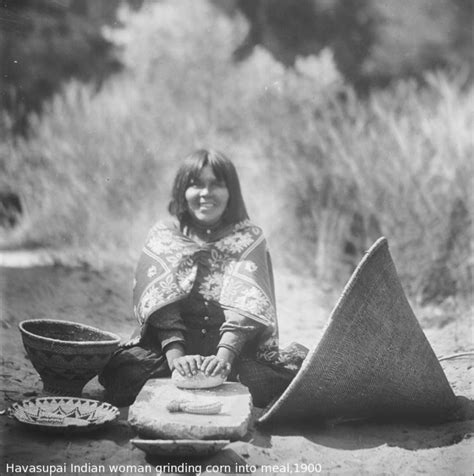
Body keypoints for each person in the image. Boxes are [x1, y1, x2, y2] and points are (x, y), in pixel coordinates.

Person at [99, 149, 307, 408]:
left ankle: (221, 375)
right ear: (182, 192)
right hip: (171, 350)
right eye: (196, 185)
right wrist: (176, 357)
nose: (206, 193)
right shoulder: (165, 234)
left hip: (232, 353)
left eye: (216, 185)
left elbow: (249, 306)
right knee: (124, 374)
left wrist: (224, 358)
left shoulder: (249, 237)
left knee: (283, 376)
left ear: (231, 192)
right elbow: (159, 303)